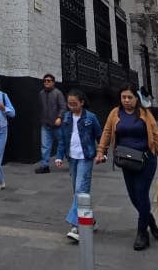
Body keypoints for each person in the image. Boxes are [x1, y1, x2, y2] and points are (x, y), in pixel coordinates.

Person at [96, 83, 158, 251]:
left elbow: (156, 137)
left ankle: (142, 234)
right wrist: (101, 151)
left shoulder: (145, 114)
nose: (127, 100)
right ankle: (149, 219)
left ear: (137, 98)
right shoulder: (115, 113)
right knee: (134, 197)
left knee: (142, 194)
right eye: (124, 97)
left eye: (130, 97)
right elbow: (107, 132)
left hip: (146, 160)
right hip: (126, 161)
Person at [55, 88, 101, 243]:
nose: (72, 107)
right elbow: (62, 139)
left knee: (81, 191)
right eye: (69, 104)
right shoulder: (66, 118)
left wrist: (102, 152)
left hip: (86, 157)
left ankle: (77, 226)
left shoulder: (90, 117)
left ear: (82, 102)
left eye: (75, 104)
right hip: (72, 158)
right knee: (78, 191)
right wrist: (59, 156)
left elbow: (99, 135)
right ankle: (90, 221)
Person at [36, 74, 66, 174]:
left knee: (63, 143)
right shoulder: (41, 93)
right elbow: (40, 107)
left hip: (57, 124)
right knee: (45, 146)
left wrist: (59, 117)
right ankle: (45, 166)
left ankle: (71, 161)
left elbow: (63, 107)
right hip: (45, 124)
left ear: (53, 82)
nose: (46, 82)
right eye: (44, 81)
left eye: (48, 81)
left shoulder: (58, 93)